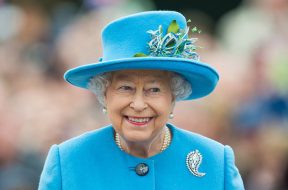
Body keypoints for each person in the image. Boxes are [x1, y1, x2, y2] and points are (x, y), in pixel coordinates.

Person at [38, 11, 244, 190]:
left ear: (174, 96)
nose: (138, 104)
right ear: (104, 95)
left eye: (154, 89)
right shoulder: (68, 161)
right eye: (125, 88)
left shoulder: (215, 162)